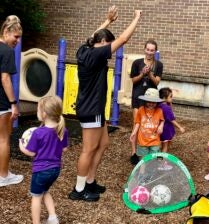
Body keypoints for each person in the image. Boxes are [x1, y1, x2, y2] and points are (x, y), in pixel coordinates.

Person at [68, 6, 142, 202]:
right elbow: (123, 40)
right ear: (102, 43)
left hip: (94, 107)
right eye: (108, 44)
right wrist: (137, 17)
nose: (110, 49)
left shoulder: (85, 49)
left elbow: (91, 37)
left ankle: (90, 181)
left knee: (103, 143)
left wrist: (108, 21)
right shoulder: (95, 54)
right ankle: (79, 189)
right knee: (88, 149)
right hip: (91, 109)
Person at [19, 96, 68, 224]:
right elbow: (64, 149)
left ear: (44, 114)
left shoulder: (38, 133)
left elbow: (31, 153)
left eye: (37, 110)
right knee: (45, 191)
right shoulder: (62, 130)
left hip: (40, 171)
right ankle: (53, 218)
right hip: (55, 170)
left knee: (36, 198)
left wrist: (21, 146)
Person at [130, 39, 163, 163]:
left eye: (152, 50)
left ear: (155, 51)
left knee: (151, 124)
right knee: (137, 123)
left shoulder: (158, 65)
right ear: (144, 49)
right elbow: (133, 80)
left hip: (152, 99)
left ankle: (150, 148)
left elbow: (157, 82)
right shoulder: (136, 63)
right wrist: (142, 73)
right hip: (138, 96)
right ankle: (134, 152)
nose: (149, 52)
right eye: (148, 49)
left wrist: (149, 74)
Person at [0, 15, 23, 187]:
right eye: (16, 36)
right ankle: (3, 176)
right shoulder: (7, 51)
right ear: (6, 32)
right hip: (1, 103)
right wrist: (13, 103)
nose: (17, 40)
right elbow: (5, 78)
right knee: (3, 139)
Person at [130, 88, 164, 159]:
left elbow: (162, 120)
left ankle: (152, 170)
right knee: (143, 159)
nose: (151, 104)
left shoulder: (159, 111)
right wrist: (134, 132)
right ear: (145, 101)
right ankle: (142, 170)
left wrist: (161, 126)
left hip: (155, 140)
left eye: (153, 102)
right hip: (142, 140)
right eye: (149, 101)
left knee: (153, 159)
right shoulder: (141, 110)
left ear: (156, 102)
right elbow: (137, 122)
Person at [159, 87, 185, 153]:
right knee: (165, 146)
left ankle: (159, 158)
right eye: (170, 96)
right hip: (166, 130)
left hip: (160, 128)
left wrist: (170, 102)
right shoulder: (166, 108)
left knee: (162, 145)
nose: (172, 98)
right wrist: (180, 127)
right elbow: (172, 119)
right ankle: (162, 160)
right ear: (165, 98)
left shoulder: (159, 105)